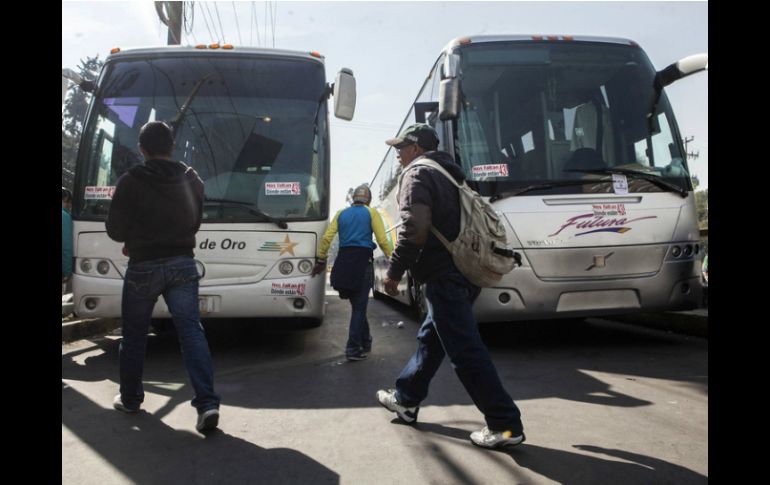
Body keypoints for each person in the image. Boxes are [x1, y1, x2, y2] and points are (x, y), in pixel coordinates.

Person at [376, 123, 525, 449]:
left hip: (445, 275)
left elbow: (414, 228)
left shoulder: (417, 175)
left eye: (401, 148)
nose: (398, 154)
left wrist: (394, 271)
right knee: (432, 338)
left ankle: (505, 425)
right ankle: (406, 398)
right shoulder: (452, 174)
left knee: (465, 350)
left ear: (415, 148)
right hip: (466, 271)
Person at [106, 121, 221, 433]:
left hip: (143, 265)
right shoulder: (192, 179)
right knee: (191, 332)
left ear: (142, 149)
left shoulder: (130, 180)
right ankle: (207, 403)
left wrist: (137, 237)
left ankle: (130, 398)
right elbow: (194, 222)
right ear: (173, 146)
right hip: (183, 264)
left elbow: (115, 230)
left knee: (134, 335)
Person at [311, 185, 393, 361]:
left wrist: (320, 259)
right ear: (368, 200)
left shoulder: (341, 213)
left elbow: (327, 238)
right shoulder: (371, 213)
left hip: (343, 264)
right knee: (360, 308)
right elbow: (381, 239)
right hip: (362, 263)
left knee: (357, 306)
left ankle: (366, 340)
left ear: (353, 198)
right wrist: (393, 258)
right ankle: (353, 349)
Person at [62, 187, 74, 290]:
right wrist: (67, 271)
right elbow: (66, 247)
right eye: (68, 203)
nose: (69, 206)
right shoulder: (64, 216)